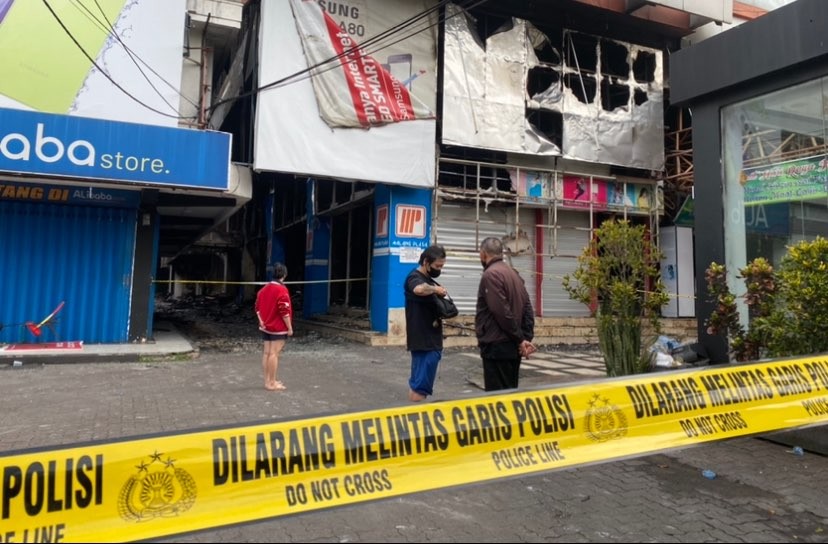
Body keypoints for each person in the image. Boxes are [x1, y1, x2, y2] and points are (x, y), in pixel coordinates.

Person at [475, 237, 536, 391]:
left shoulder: (491, 275)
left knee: (497, 399)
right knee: (510, 393)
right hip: (512, 346)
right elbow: (528, 308)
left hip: (497, 346)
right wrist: (525, 338)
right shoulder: (513, 273)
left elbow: (501, 311)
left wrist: (521, 339)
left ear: (483, 254)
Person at [404, 245, 448, 402]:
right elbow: (418, 290)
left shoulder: (429, 280)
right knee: (419, 389)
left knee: (418, 386)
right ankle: (417, 421)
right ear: (426, 262)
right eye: (437, 266)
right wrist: (436, 290)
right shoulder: (414, 278)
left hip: (428, 341)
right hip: (424, 342)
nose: (439, 269)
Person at [255, 263, 293, 391]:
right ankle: (272, 383)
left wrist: (261, 321)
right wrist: (289, 327)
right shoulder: (282, 290)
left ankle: (267, 381)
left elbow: (257, 308)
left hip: (266, 326)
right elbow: (284, 311)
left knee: (266, 353)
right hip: (278, 327)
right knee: (274, 354)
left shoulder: (263, 289)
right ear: (284, 275)